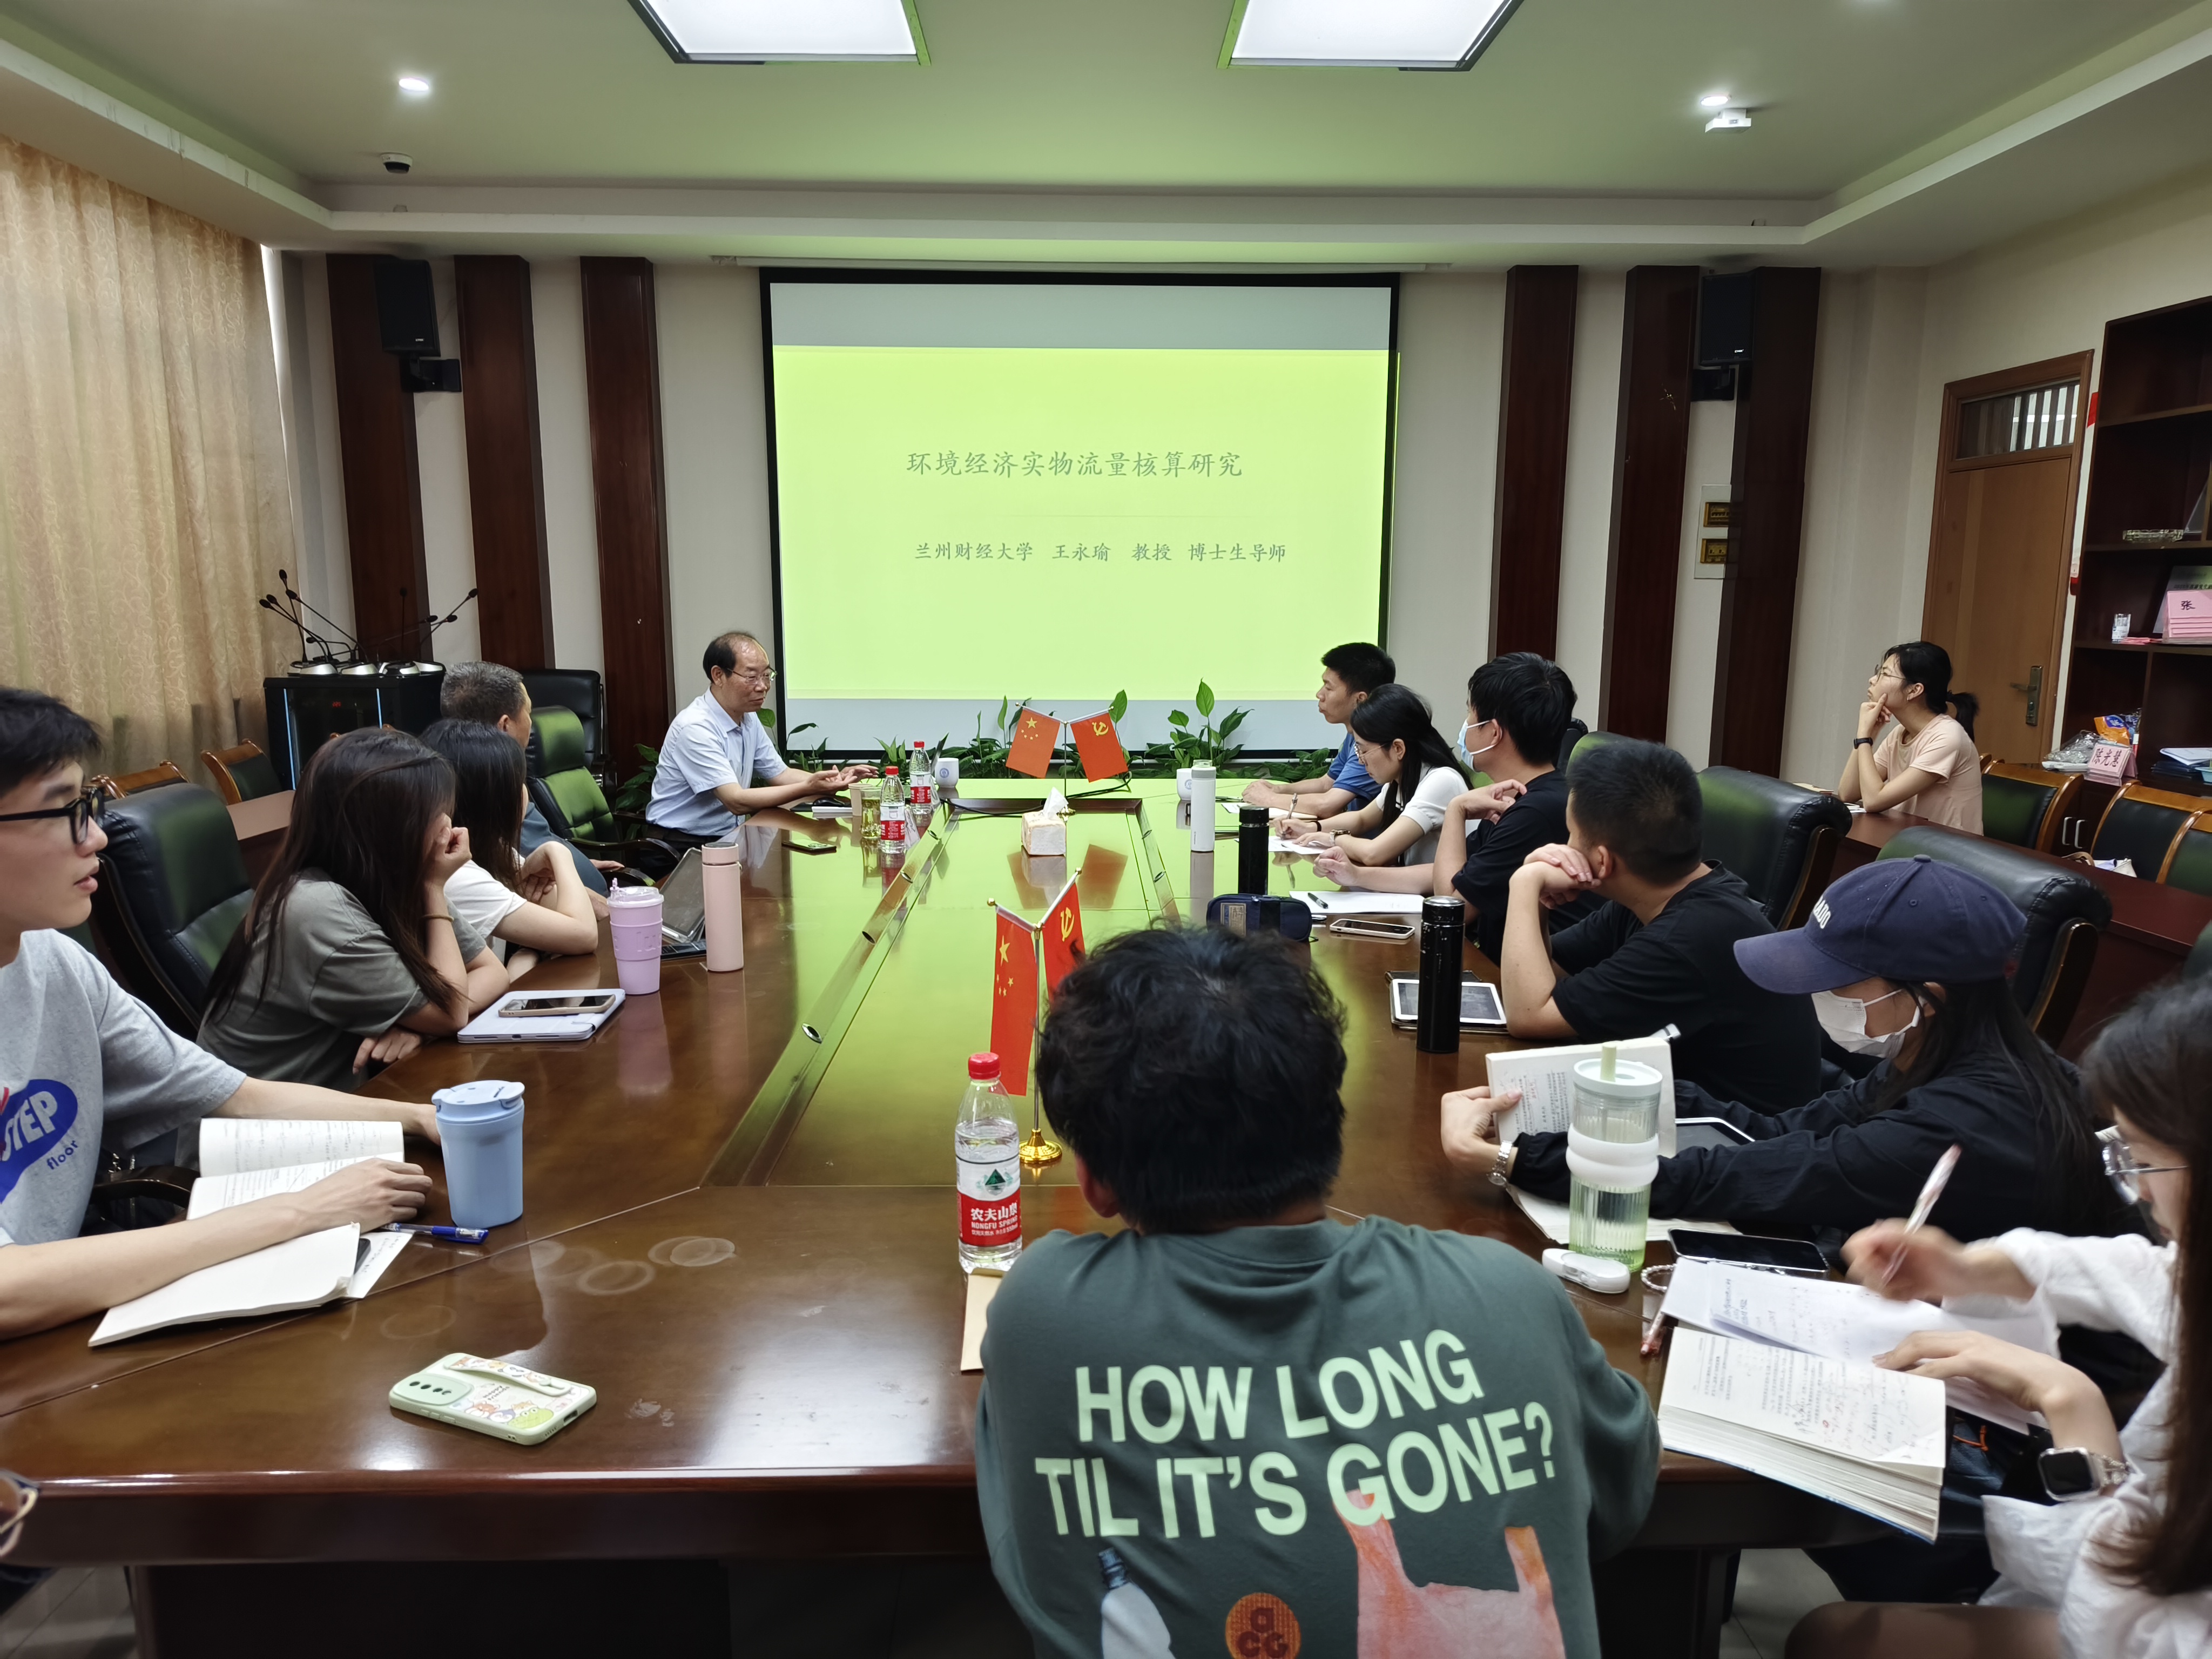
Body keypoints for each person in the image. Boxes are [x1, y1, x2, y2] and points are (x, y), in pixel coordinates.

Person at [976, 925, 1658, 1659]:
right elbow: (1619, 1499)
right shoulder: (1512, 1295)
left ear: (1095, 1183)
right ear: (1330, 1124)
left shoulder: (1044, 1313)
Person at [1788, 975, 2212, 1659]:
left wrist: (2074, 1414)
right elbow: (2149, 1274)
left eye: (2144, 1161)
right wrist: (1968, 1268)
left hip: (2131, 1628)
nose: (2136, 1192)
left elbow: (2138, 1639)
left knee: (1837, 1639)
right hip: (2122, 1586)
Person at [0, 689, 434, 1343]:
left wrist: (421, 1117)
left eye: (89, 806)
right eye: (66, 811)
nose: (96, 836)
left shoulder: (55, 961)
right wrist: (302, 1212)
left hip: (69, 1324)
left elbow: (235, 1094)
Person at [1444, 856, 2141, 1245]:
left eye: (1837, 980)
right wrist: (1620, 1093)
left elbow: (1749, 1177)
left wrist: (1514, 1160)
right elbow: (1777, 1133)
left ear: (1927, 996)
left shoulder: (1962, 1124)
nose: (1817, 995)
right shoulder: (1939, 1054)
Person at [1494, 738, 1820, 1111]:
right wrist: (1539, 900)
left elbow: (1528, 1016)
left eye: (1570, 833)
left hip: (1740, 1138)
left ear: (1602, 862)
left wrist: (1524, 882)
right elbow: (1542, 977)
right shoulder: (1658, 896)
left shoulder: (1686, 939)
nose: (1563, 847)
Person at [200, 728, 511, 1090]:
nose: (449, 829)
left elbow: (492, 972)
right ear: (390, 828)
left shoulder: (393, 877)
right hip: (268, 1123)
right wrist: (433, 887)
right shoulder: (315, 909)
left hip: (347, 1099)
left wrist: (418, 1027)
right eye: (437, 815)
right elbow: (452, 1012)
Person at [1430, 653, 1601, 961]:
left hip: (1529, 978)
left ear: (1493, 732)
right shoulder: (1527, 795)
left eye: (1470, 714)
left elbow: (1450, 908)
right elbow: (1465, 875)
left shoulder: (1534, 813)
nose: (1466, 725)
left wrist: (1456, 810)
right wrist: (1359, 875)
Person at [646, 631, 872, 842]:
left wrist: (833, 781)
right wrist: (809, 787)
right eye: (752, 677)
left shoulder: (748, 717)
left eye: (766, 675)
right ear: (718, 675)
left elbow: (780, 774)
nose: (763, 687)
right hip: (680, 843)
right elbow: (736, 801)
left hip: (728, 837)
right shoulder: (696, 727)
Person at [420, 719, 599, 977]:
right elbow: (584, 935)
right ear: (494, 801)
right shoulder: (457, 874)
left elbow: (566, 908)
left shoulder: (490, 848)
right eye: (518, 782)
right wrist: (559, 852)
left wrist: (528, 953)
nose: (524, 792)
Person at [439, 660, 609, 896]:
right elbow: (524, 879)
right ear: (505, 726)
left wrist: (577, 864)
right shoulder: (491, 797)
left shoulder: (453, 781)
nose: (531, 722)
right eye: (529, 712)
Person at [1298, 684, 1471, 883]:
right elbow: (1362, 819)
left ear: (1398, 748)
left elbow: (1374, 853)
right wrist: (1313, 828)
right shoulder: (1401, 779)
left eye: (1364, 751)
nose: (1361, 761)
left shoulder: (1441, 781)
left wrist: (1333, 839)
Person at [1837, 641, 1982, 834]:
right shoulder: (1901, 733)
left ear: (1914, 690)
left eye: (1884, 674)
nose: (1872, 680)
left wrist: (1864, 737)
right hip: (1910, 840)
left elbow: (1873, 801)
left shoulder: (1947, 737)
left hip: (1948, 849)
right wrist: (1868, 734)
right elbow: (1848, 793)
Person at [1242, 642, 1395, 819]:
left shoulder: (1376, 745)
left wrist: (1268, 799)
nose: (1320, 694)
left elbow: (1328, 805)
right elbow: (1326, 783)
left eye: (1329, 688)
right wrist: (1278, 789)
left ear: (1360, 699)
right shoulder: (1355, 734)